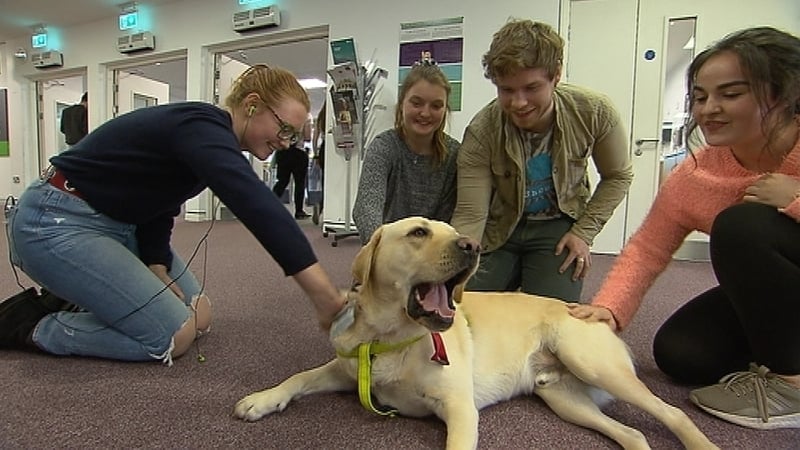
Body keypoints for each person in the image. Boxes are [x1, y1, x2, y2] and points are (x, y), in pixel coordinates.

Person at [0, 64, 345, 364]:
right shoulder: (202, 126)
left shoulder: (206, 139)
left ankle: (85, 293)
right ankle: (31, 326)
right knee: (172, 336)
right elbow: (254, 203)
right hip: (52, 221)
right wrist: (321, 291)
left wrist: (156, 262)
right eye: (284, 129)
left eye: (293, 136)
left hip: (115, 226)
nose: (287, 142)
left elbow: (159, 203)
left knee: (200, 315)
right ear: (253, 105)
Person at [569, 27, 800, 429]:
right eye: (700, 97)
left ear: (780, 94)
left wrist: (795, 199)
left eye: (730, 94)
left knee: (742, 227)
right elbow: (646, 249)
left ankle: (792, 385)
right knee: (681, 352)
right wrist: (608, 308)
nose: (709, 109)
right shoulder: (695, 176)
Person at [451, 19, 633, 302]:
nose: (518, 103)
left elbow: (618, 175)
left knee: (553, 314)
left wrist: (583, 233)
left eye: (531, 88)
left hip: (557, 226)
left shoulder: (594, 112)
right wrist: (456, 271)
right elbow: (471, 213)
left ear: (556, 75)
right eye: (507, 90)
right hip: (500, 229)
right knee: (464, 304)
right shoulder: (482, 130)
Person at [352, 61, 459, 244]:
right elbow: (366, 209)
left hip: (432, 252)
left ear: (445, 110)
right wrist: (387, 251)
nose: (425, 113)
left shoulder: (454, 154)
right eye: (416, 103)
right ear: (402, 104)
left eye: (436, 106)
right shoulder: (383, 147)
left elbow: (448, 219)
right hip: (388, 249)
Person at [272, 140, 311, 220]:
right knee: (299, 183)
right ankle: (299, 211)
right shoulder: (302, 126)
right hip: (299, 153)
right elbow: (308, 137)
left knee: (282, 182)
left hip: (282, 152)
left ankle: (269, 204)